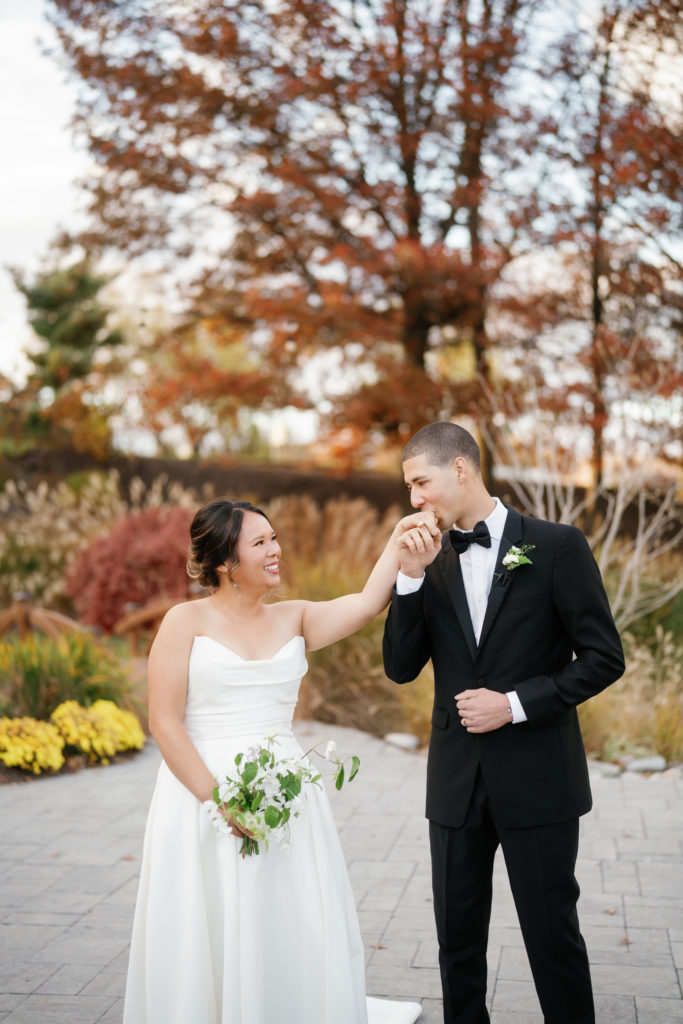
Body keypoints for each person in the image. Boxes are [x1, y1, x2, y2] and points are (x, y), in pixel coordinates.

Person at [123, 497, 428, 1024]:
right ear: (224, 560)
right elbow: (165, 723)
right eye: (260, 542)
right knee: (210, 917)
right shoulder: (183, 621)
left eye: (275, 538)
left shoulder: (296, 617)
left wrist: (398, 541)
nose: (275, 550)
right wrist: (218, 802)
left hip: (287, 792)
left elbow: (364, 602)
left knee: (288, 912)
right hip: (201, 793)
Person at [382, 421, 625, 1024]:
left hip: (539, 778)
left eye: (420, 482)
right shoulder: (424, 557)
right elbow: (399, 667)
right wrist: (408, 578)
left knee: (552, 940)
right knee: (455, 945)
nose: (414, 499)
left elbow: (603, 658)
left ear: (460, 469)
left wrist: (513, 704)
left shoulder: (557, 545)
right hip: (455, 785)